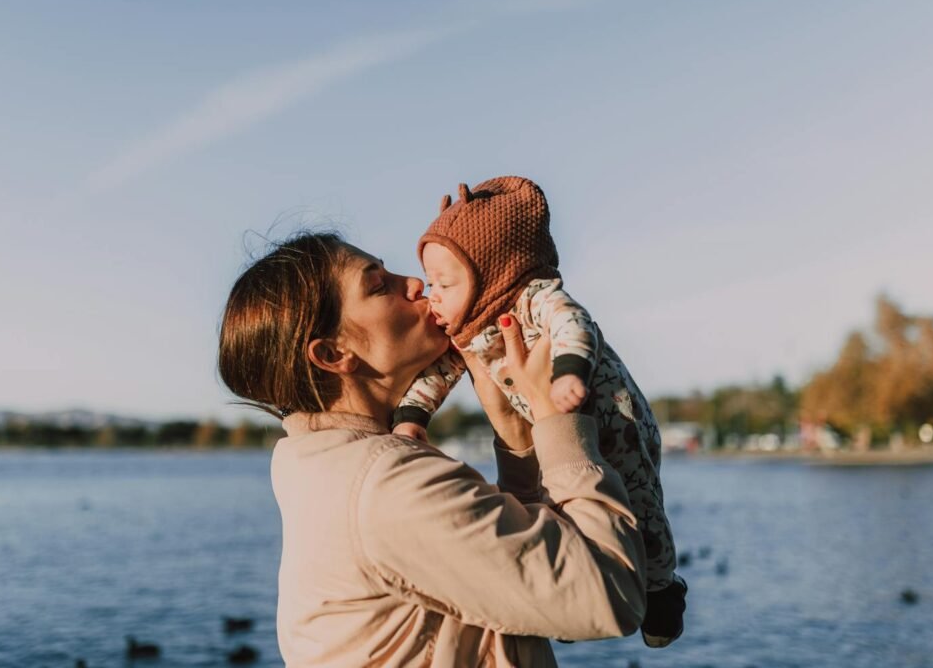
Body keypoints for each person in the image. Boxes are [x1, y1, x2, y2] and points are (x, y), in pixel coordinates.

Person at [218, 231, 650, 667]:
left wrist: (515, 438)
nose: (415, 284)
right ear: (333, 353)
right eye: (379, 285)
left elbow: (533, 596)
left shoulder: (324, 468)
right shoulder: (387, 485)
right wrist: (555, 415)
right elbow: (611, 594)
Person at [390, 176, 686, 647]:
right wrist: (412, 417)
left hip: (615, 419)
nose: (434, 295)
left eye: (445, 282)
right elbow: (436, 375)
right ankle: (571, 600)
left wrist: (569, 371)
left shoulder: (531, 298)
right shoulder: (464, 331)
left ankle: (662, 586)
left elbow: (572, 321)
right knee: (557, 502)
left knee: (640, 500)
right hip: (558, 431)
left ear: (494, 273)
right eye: (431, 282)